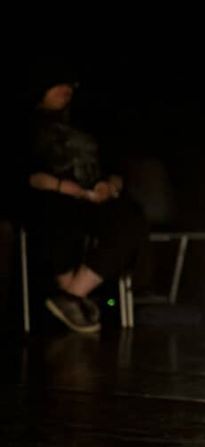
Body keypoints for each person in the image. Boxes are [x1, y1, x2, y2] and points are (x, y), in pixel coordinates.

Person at [22, 58, 148, 334]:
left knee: (129, 218)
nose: (65, 89)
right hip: (53, 197)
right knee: (56, 212)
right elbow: (23, 175)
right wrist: (61, 186)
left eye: (69, 85)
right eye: (57, 84)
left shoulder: (85, 121)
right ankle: (69, 298)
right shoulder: (28, 125)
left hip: (91, 198)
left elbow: (116, 166)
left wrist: (108, 185)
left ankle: (72, 296)